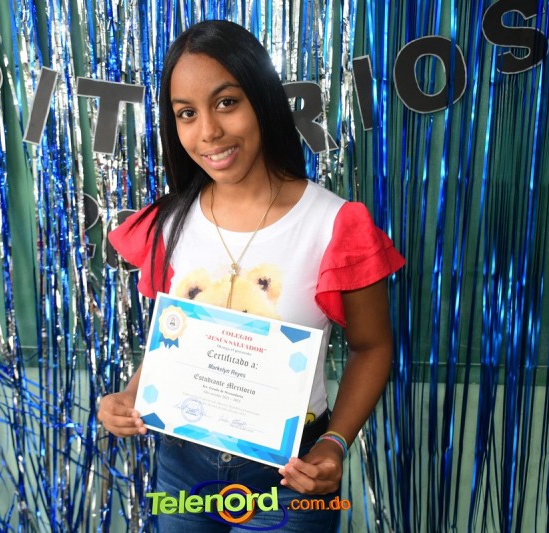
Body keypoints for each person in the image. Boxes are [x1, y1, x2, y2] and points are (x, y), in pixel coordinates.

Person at [98, 19, 404, 532]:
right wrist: (131, 395)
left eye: (226, 103)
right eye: (186, 113)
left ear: (261, 100)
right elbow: (173, 341)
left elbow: (372, 347)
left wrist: (334, 444)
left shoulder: (333, 224)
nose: (208, 132)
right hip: (181, 465)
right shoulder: (167, 223)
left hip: (291, 475)